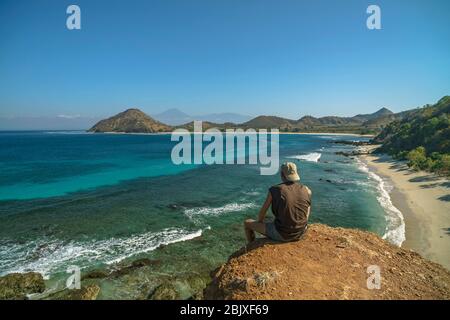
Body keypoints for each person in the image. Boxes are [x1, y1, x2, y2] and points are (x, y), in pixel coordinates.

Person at [244, 162, 312, 243]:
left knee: (247, 223)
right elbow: (307, 210)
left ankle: (251, 245)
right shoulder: (306, 189)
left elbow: (262, 213)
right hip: (301, 231)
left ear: (282, 174)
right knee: (308, 205)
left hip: (282, 234)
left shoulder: (275, 190)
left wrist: (260, 222)